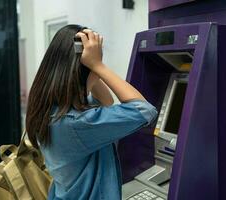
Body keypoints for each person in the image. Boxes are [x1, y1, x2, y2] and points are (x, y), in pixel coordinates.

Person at [25, 24, 158, 200]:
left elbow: (106, 101)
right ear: (84, 70)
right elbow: (145, 110)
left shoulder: (51, 108)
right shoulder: (78, 123)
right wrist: (98, 65)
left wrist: (91, 66)